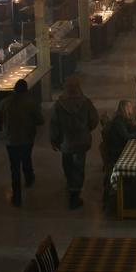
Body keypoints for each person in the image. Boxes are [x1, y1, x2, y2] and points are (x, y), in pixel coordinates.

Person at [50, 76, 100, 209]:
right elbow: (94, 119)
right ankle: (75, 193)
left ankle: (70, 182)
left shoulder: (59, 105)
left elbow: (54, 124)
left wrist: (54, 139)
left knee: (67, 163)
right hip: (81, 140)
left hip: (66, 141)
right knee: (79, 166)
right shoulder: (85, 103)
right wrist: (87, 129)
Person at [0, 79, 43, 207]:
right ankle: (29, 178)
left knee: (14, 166)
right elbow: (40, 120)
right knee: (26, 158)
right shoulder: (30, 103)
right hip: (27, 138)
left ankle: (16, 195)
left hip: (10, 139)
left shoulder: (4, 103)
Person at [102, 99, 136, 169]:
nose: (132, 108)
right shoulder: (119, 121)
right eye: (130, 107)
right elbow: (126, 136)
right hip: (118, 150)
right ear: (126, 108)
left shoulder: (122, 118)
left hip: (120, 145)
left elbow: (130, 127)